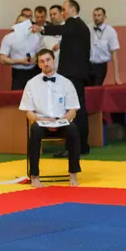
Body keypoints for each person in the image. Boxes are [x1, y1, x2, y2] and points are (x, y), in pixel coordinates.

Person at [31, 0, 91, 156]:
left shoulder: (74, 24)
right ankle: (78, 146)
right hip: (77, 73)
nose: (62, 13)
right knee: (77, 109)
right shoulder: (79, 27)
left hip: (73, 74)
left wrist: (41, 28)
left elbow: (62, 29)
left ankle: (76, 146)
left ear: (72, 10)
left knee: (74, 110)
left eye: (64, 10)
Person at [19, 49, 82, 188]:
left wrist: (61, 121)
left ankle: (73, 173)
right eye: (42, 61)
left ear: (54, 60)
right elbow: (28, 112)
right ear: (39, 65)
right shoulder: (31, 83)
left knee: (73, 130)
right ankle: (34, 175)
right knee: (34, 131)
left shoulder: (67, 83)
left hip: (62, 122)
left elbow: (73, 110)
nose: (46, 63)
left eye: (48, 60)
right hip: (41, 123)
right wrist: (41, 121)